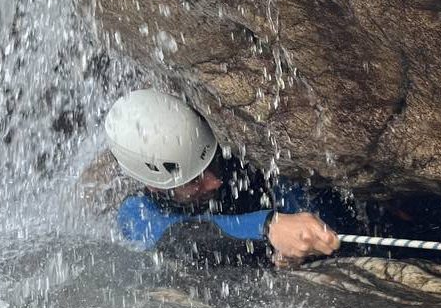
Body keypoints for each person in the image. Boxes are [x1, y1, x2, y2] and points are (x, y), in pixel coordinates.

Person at [105, 88, 341, 266]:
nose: (214, 181)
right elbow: (176, 237)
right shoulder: (136, 213)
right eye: (193, 180)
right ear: (155, 187)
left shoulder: (244, 156)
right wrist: (269, 228)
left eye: (213, 162)